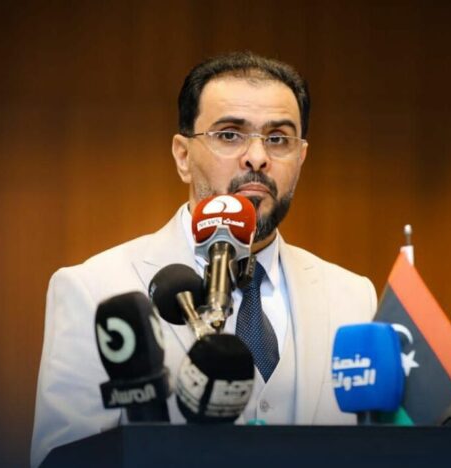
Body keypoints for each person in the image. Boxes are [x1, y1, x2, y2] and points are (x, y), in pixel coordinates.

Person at [30, 51, 377, 467]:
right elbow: (62, 459)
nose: (257, 157)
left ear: (301, 158)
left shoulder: (352, 297)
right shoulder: (94, 290)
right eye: (229, 135)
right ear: (183, 156)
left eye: (278, 139)